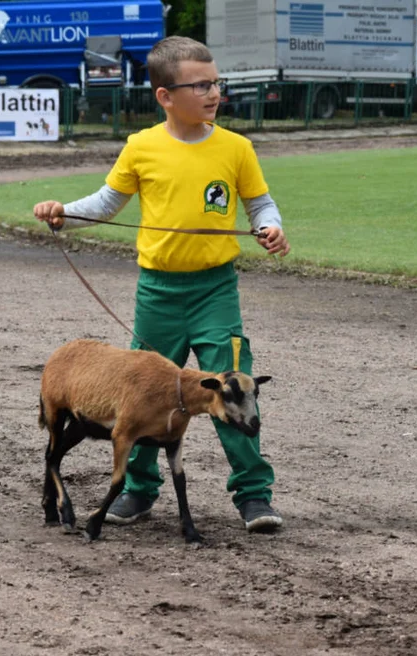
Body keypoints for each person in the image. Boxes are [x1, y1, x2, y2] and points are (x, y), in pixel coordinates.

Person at [32, 36, 290, 533]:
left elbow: (259, 204)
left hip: (216, 290)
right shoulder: (142, 146)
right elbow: (107, 203)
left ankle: (255, 496)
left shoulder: (236, 147)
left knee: (233, 387)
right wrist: (64, 212)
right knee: (145, 396)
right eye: (200, 85)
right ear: (165, 96)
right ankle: (138, 492)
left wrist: (271, 226)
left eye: (216, 83)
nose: (213, 93)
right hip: (157, 293)